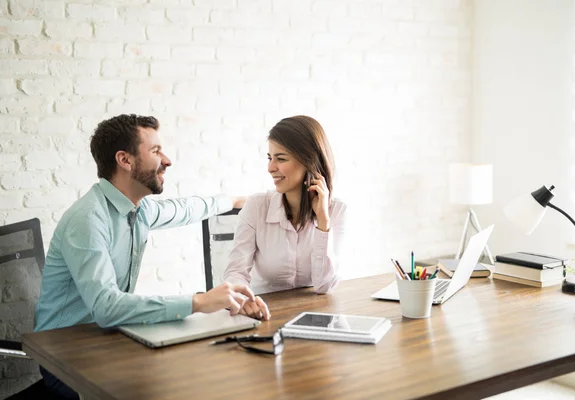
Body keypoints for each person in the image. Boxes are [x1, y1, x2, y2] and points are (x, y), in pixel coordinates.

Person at [34, 114, 269, 399]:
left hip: (107, 338)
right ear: (125, 160)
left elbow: (186, 208)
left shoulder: (138, 209)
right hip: (66, 354)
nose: (167, 160)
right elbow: (106, 307)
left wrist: (233, 202)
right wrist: (199, 301)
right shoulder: (88, 219)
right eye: (156, 151)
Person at [223, 115, 347, 317]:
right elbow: (236, 271)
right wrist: (243, 299)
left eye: (280, 159)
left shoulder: (337, 211)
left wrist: (323, 221)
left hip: (316, 317)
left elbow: (324, 285)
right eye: (270, 158)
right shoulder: (256, 206)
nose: (271, 168)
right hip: (265, 314)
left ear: (309, 161)